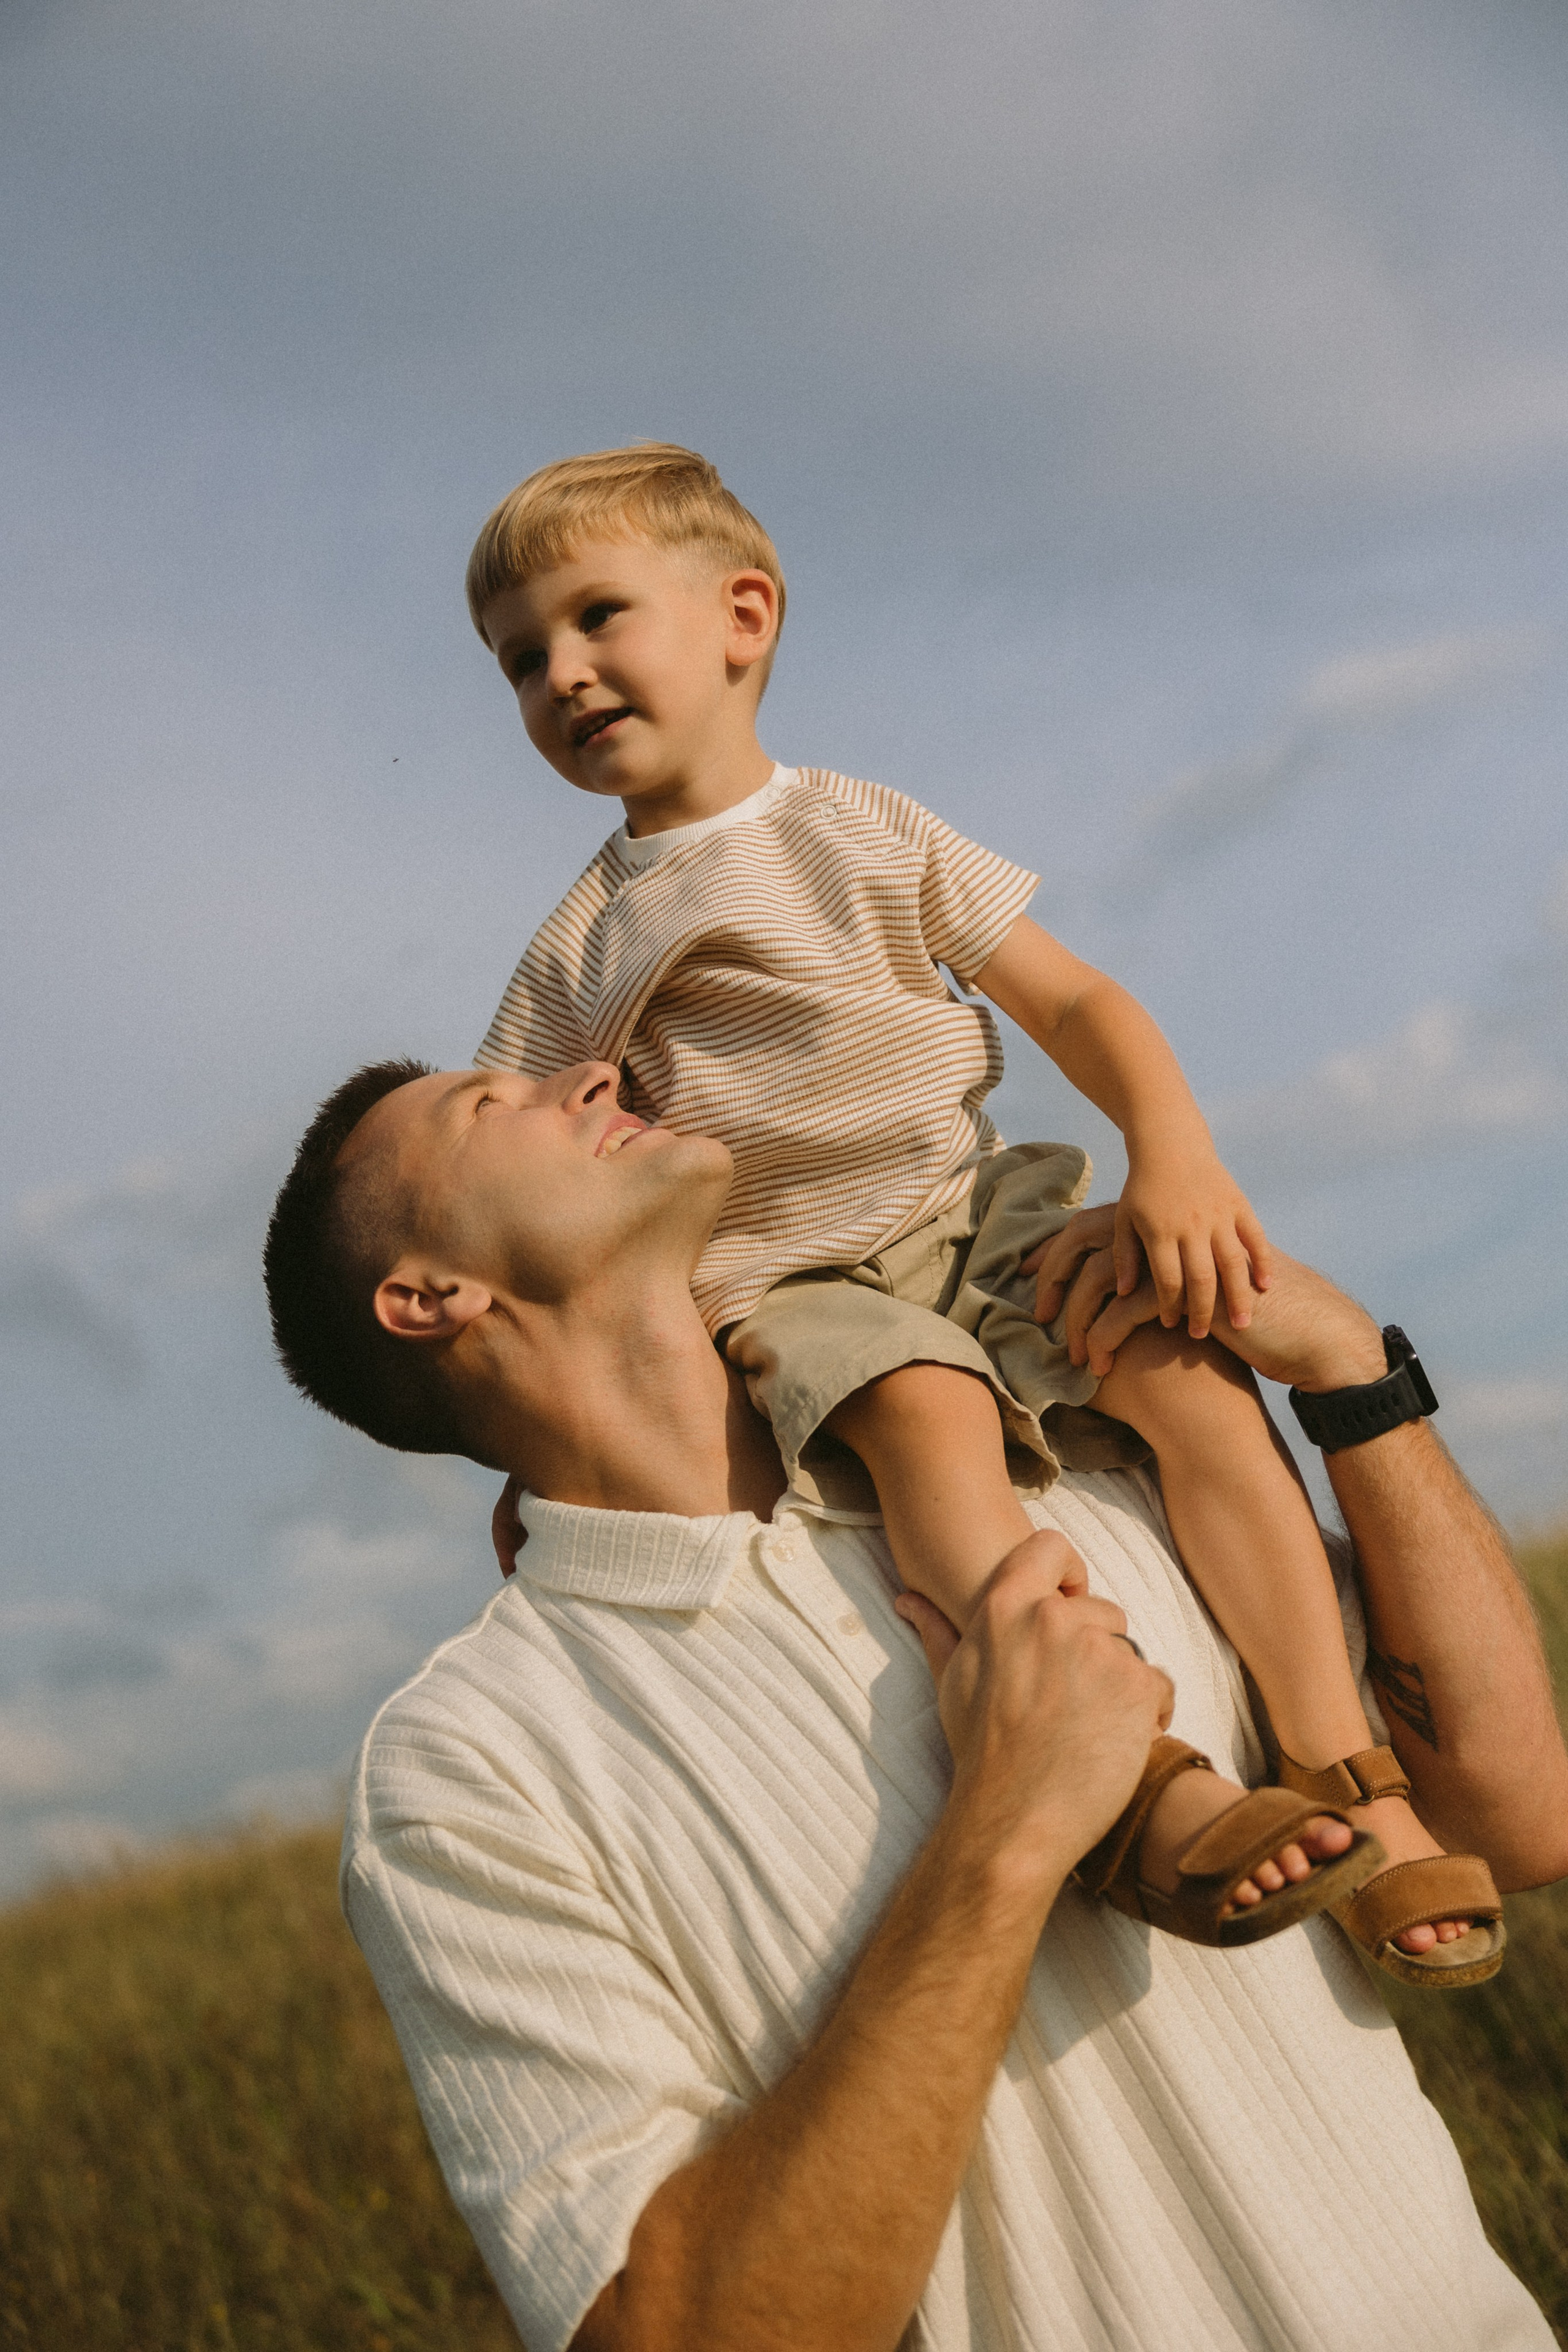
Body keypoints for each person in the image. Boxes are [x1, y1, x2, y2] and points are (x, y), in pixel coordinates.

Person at [261, 1054, 1567, 2351]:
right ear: (428, 1297)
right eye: (488, 1106)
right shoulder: (468, 1769)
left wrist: (1354, 1379)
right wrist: (1003, 1830)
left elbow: (1514, 1825)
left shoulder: (1058, 1451)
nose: (587, 1072)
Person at [459, 442, 1493, 1974]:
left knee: (1195, 1394)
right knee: (930, 1420)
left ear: (742, 616)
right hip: (794, 1283)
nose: (562, 675)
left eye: (597, 618)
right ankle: (1144, 1793)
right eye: (520, 661)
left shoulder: (860, 826)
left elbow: (1074, 1000)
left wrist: (1172, 1155)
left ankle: (1353, 1775)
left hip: (972, 1208)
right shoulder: (582, 944)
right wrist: (542, 1437)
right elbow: (509, 1191)